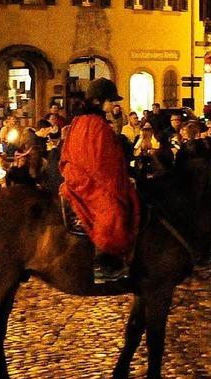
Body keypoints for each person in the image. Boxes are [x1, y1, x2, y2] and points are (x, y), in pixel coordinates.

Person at [59, 78, 140, 283]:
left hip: (79, 174)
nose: (114, 104)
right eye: (110, 100)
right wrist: (122, 182)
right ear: (98, 101)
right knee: (112, 210)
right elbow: (103, 164)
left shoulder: (81, 121)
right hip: (86, 178)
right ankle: (103, 262)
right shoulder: (96, 125)